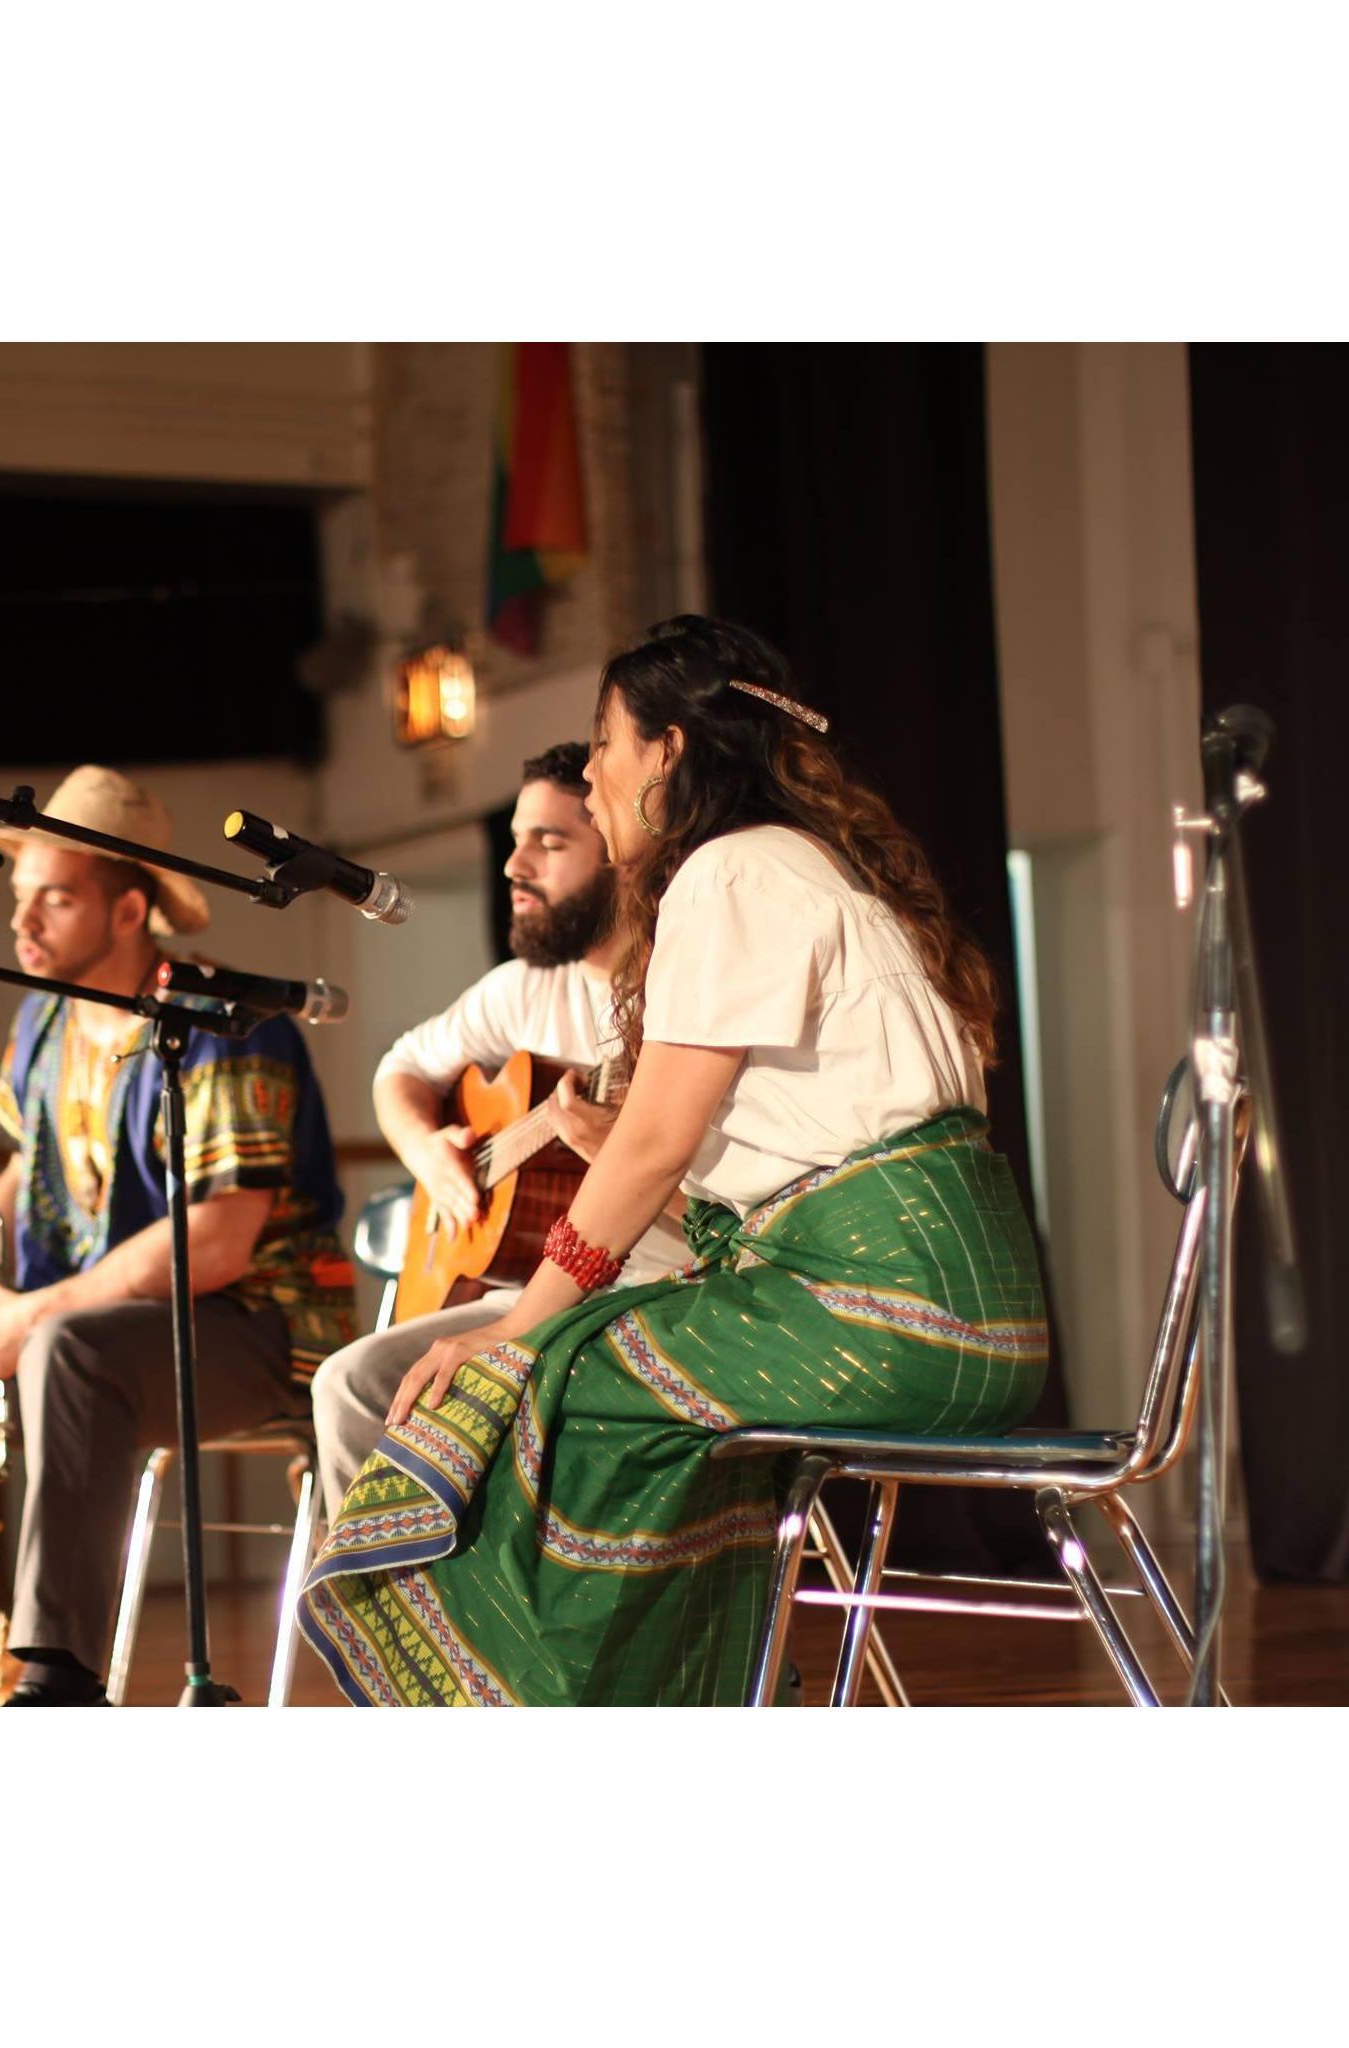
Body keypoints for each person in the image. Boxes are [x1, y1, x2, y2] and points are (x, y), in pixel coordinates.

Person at [301, 617, 1051, 1706]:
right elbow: (728, 1145)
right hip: (966, 1309)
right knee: (579, 1366)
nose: (592, 770)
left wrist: (513, 1324)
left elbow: (653, 1141)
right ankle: (711, 1692)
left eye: (601, 740)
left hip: (882, 1308)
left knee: (548, 1376)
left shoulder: (730, 873)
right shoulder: (806, 867)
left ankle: (590, 1701)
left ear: (667, 750)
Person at [0, 765, 357, 1705]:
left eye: (57, 899)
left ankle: (57, 1685)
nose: (20, 922)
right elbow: (19, 1172)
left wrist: (33, 1313)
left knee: (68, 1352)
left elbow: (217, 1241)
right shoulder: (40, 1021)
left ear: (129, 912)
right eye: (21, 897)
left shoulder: (224, 1023)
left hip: (253, 1333)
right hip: (87, 1330)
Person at [309, 743, 686, 1517]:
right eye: (517, 839)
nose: (516, 866)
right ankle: (380, 1622)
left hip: (661, 1290)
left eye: (550, 843)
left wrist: (618, 1147)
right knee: (350, 1383)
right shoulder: (522, 992)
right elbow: (400, 1070)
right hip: (523, 1293)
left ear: (621, 853)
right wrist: (428, 1151)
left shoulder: (684, 992)